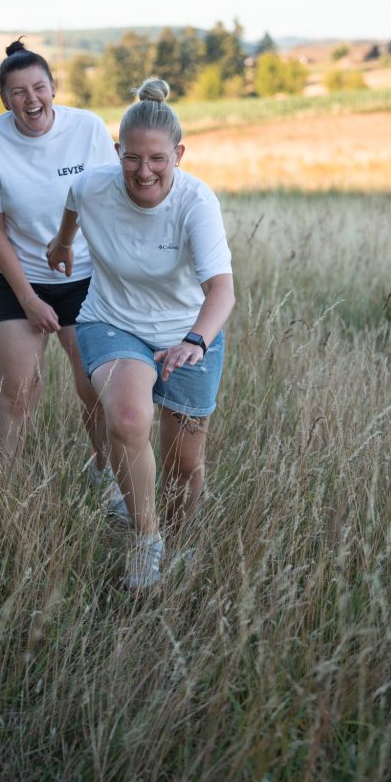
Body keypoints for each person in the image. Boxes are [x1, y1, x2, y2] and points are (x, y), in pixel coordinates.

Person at [47, 78, 235, 589]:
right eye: (132, 158)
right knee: (129, 418)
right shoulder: (94, 186)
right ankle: (145, 539)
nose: (144, 171)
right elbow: (74, 200)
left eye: (157, 159)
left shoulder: (196, 202)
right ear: (117, 153)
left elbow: (222, 291)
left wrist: (194, 341)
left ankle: (178, 539)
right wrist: (62, 243)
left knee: (184, 464)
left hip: (189, 334)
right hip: (113, 322)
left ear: (178, 154)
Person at [0, 38, 130, 519]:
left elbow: (110, 199)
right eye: (18, 92)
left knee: (94, 386)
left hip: (84, 277)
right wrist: (29, 300)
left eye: (39, 87)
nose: (31, 99)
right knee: (19, 391)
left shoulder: (87, 128)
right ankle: (4, 495)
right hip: (13, 279)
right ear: (4, 100)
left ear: (54, 87)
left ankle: (105, 477)